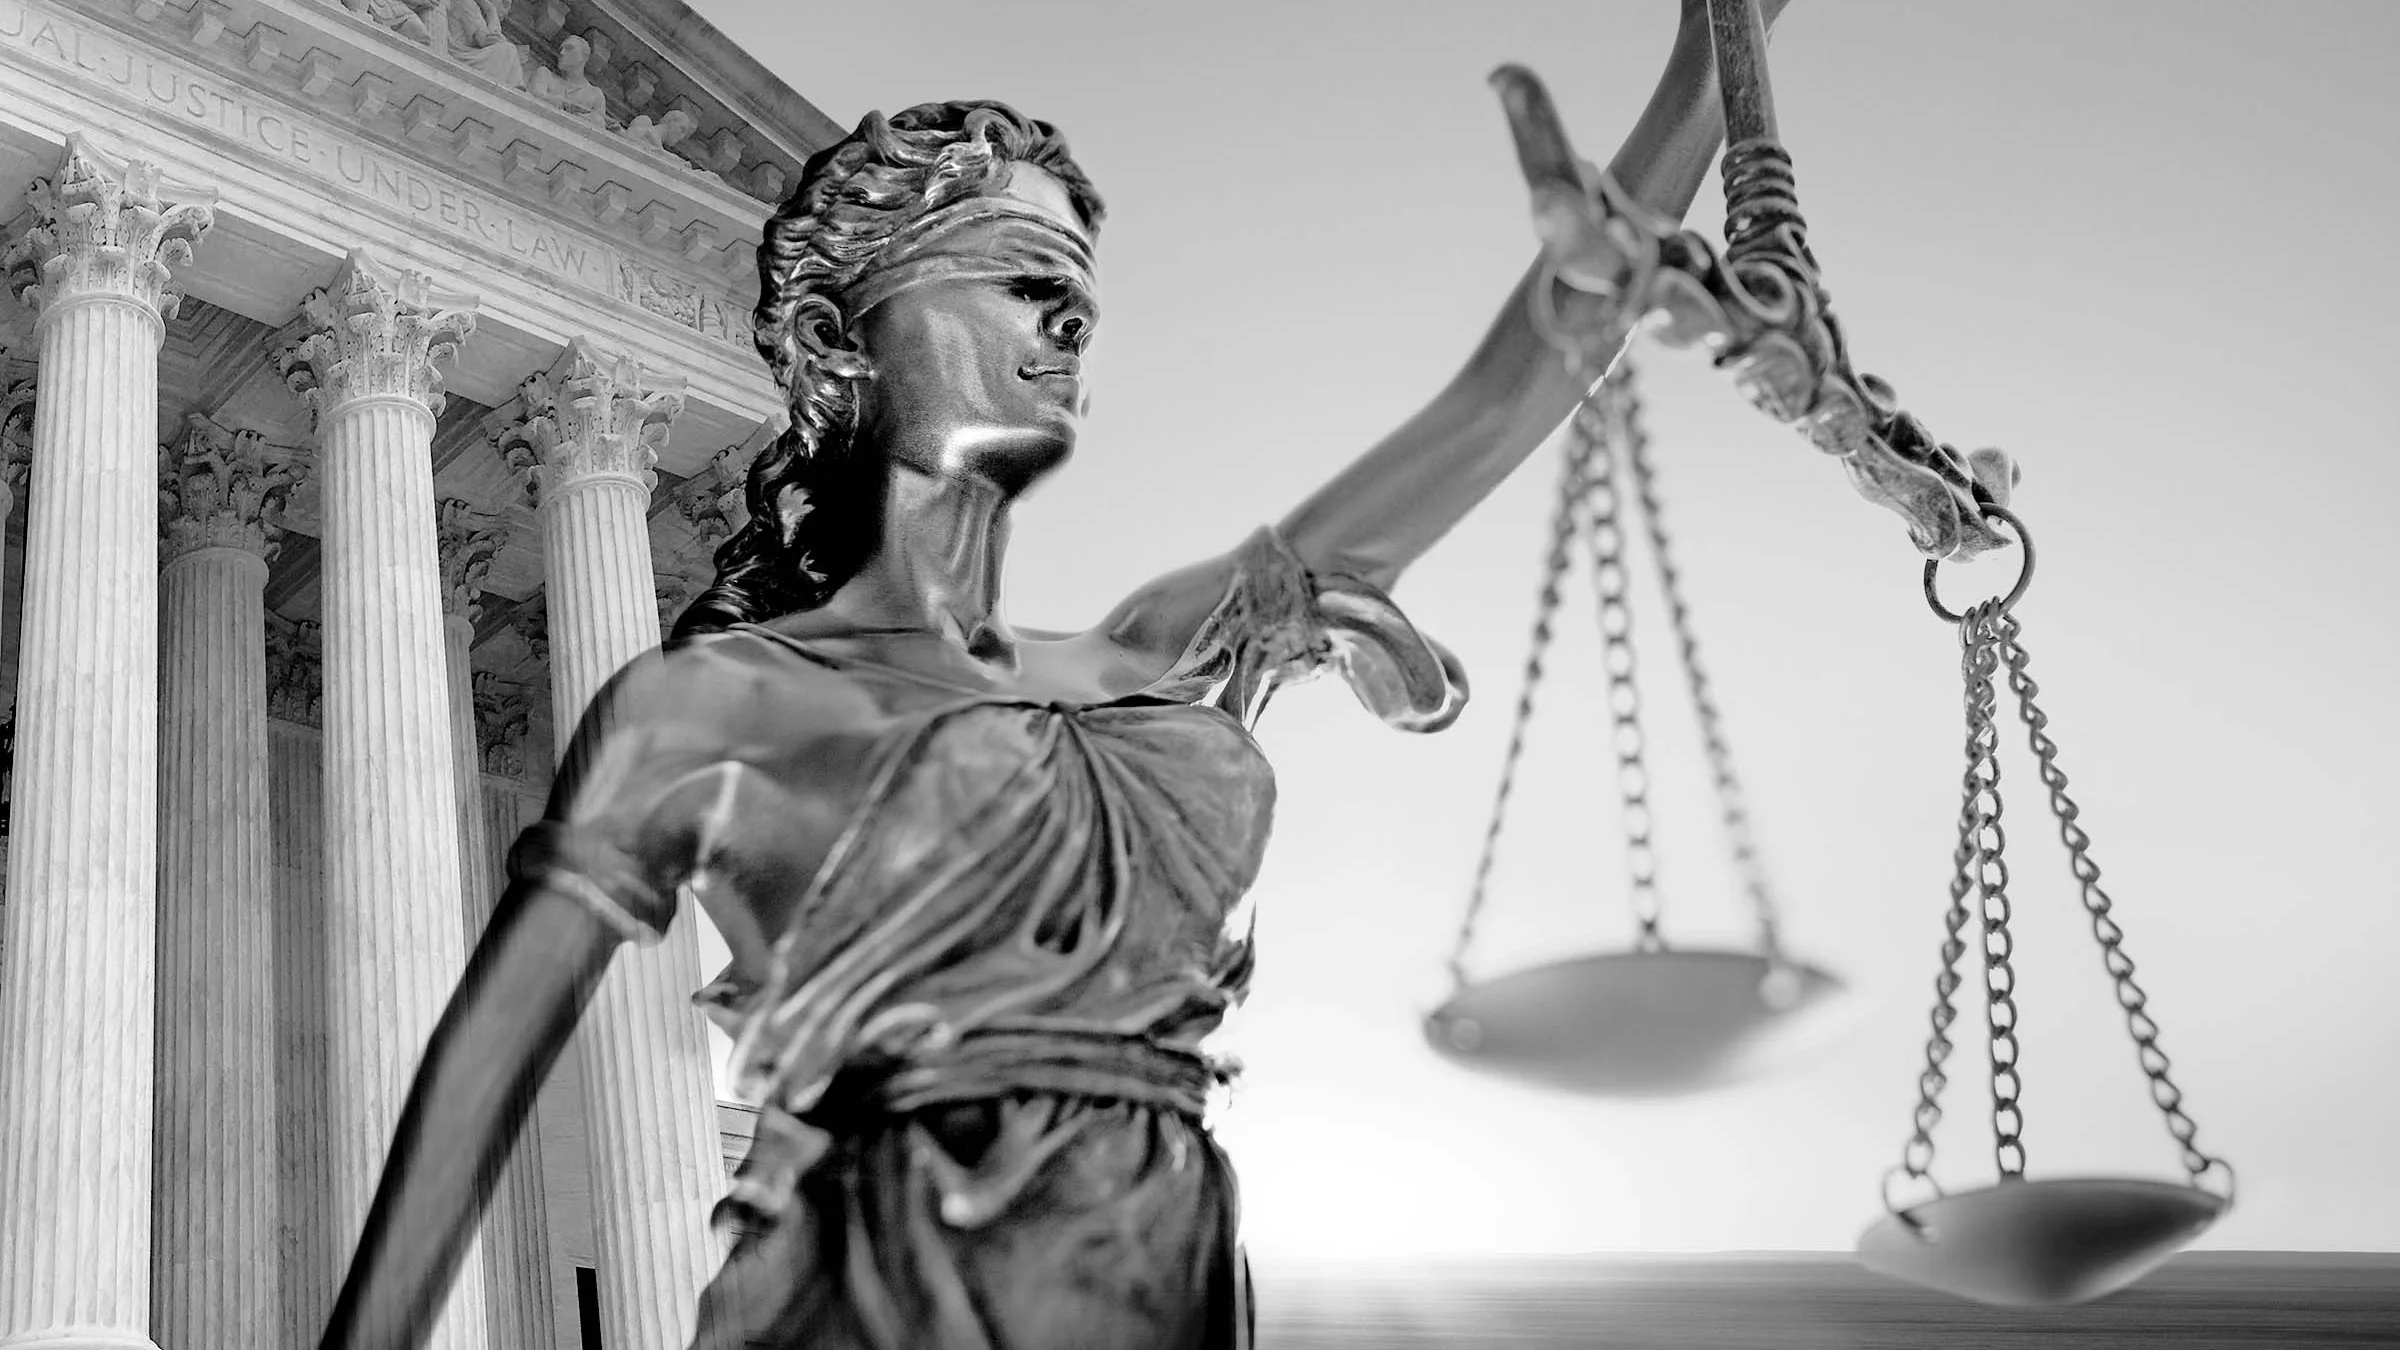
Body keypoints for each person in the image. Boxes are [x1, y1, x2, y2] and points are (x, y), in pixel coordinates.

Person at [320, 2, 1778, 1345]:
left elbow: (1504, 391)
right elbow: (476, 1083)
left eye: (1079, 293)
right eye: (1020, 283)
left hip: (1166, 1280)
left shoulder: (1150, 644)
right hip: (875, 1293)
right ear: (841, 343)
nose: (1069, 323)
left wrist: (1709, 63)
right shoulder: (710, 706)